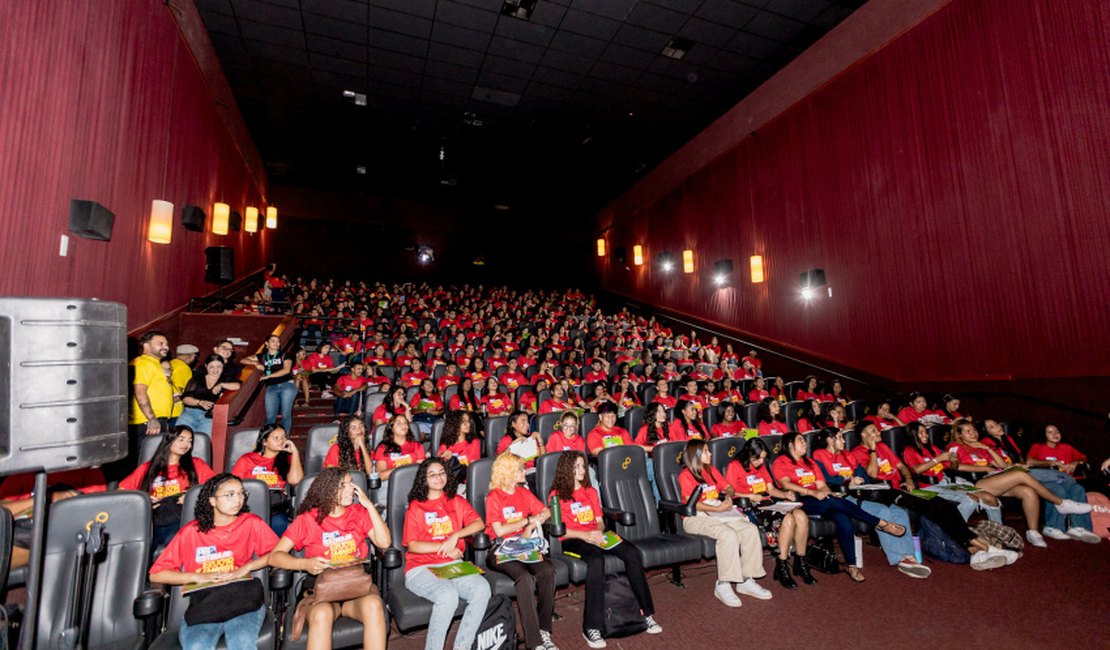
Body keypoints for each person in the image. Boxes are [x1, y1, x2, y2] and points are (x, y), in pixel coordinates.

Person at [149, 473, 278, 649]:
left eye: (241, 493)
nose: (237, 500)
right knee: (196, 646)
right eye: (229, 495)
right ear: (212, 501)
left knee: (242, 643)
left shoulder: (251, 523)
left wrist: (248, 566)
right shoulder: (191, 531)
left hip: (243, 598)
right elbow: (156, 574)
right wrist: (198, 577)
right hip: (205, 603)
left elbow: (278, 554)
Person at [269, 468, 391, 650]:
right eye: (344, 485)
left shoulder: (358, 512)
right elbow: (274, 557)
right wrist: (304, 564)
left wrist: (369, 506)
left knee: (374, 605)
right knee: (321, 614)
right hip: (322, 593)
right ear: (327, 490)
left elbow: (384, 542)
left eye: (351, 483)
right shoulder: (307, 520)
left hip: (356, 588)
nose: (352, 488)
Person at [550, 451, 659, 649]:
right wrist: (587, 536)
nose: (582, 470)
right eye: (577, 467)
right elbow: (560, 530)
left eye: (583, 466)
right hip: (573, 539)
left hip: (596, 535)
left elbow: (600, 522)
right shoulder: (557, 495)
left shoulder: (590, 491)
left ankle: (646, 613)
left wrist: (598, 534)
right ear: (567, 470)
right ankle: (592, 627)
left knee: (632, 553)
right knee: (595, 560)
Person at [771, 432, 906, 583]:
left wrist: (827, 494)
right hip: (799, 500)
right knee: (834, 503)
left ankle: (851, 565)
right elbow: (786, 484)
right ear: (790, 445)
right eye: (801, 440)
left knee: (843, 518)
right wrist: (812, 492)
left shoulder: (809, 462)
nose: (805, 443)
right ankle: (879, 523)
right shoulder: (781, 462)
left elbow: (822, 486)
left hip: (820, 499)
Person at [948, 420, 1092, 548]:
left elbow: (1002, 465)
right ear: (960, 435)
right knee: (1020, 475)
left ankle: (1033, 532)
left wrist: (987, 449)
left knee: (1028, 491)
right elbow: (955, 466)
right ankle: (1061, 503)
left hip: (992, 480)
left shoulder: (980, 447)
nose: (973, 433)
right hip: (973, 483)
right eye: (968, 431)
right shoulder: (955, 446)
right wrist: (984, 468)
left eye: (974, 430)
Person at [402, 458, 491, 650]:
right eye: (432, 474)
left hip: (451, 564)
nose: (438, 477)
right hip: (420, 567)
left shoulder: (457, 501)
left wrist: (456, 535)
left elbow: (479, 524)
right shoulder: (417, 506)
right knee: (447, 595)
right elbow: (413, 545)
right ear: (424, 479)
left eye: (442, 472)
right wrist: (446, 547)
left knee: (482, 589)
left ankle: (462, 647)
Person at [677, 439, 771, 607]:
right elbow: (691, 503)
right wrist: (718, 510)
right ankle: (723, 584)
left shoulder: (711, 470)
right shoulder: (685, 475)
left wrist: (728, 495)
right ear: (696, 455)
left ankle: (745, 580)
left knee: (749, 529)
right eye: (706, 451)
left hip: (717, 511)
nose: (710, 453)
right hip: (695, 517)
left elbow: (729, 487)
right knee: (728, 535)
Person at [485, 453, 559, 650]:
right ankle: (534, 642)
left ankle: (545, 630)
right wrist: (527, 521)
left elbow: (547, 511)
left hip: (523, 545)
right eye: (519, 468)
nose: (523, 471)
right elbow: (500, 530)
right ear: (508, 472)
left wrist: (536, 521)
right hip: (500, 549)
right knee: (524, 578)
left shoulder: (523, 492)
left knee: (547, 571)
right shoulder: (494, 496)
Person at [984, 421, 1099, 544]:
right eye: (1050, 432)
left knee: (1078, 489)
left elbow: (1083, 458)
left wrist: (1075, 463)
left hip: (1035, 474)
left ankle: (1079, 527)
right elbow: (1029, 462)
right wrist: (1049, 463)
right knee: (1059, 487)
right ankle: (1052, 527)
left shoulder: (1008, 440)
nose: (1054, 434)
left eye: (1057, 431)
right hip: (1036, 478)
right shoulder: (1037, 447)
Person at [725, 438, 815, 589]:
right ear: (749, 453)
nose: (761, 461)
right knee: (788, 519)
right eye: (758, 458)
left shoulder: (761, 467)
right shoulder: (735, 466)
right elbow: (729, 493)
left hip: (766, 502)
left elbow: (771, 490)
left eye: (763, 458)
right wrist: (749, 496)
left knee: (801, 516)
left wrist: (785, 495)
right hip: (749, 506)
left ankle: (800, 561)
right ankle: (782, 564)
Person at [119, 426, 216, 550]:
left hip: (181, 517)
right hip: (151, 517)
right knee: (137, 545)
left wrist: (192, 497)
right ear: (169, 440)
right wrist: (145, 499)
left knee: (173, 541)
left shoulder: (197, 464)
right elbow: (122, 492)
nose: (186, 444)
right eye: (181, 439)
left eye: (190, 441)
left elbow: (216, 487)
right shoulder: (147, 468)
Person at [901, 421, 1002, 523]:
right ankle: (953, 532)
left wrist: (954, 460)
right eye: (921, 432)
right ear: (912, 434)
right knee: (971, 500)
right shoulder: (909, 450)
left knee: (991, 498)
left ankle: (998, 533)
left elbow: (951, 467)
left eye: (926, 432)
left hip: (947, 483)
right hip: (928, 487)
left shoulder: (932, 448)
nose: (925, 435)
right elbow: (916, 470)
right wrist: (938, 459)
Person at [231, 424, 304, 535]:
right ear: (264, 442)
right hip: (250, 505)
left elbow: (295, 480)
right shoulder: (247, 459)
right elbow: (234, 483)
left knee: (279, 527)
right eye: (276, 438)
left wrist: (295, 453)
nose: (282, 441)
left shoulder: (287, 460)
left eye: (284, 437)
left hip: (275, 508)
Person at [128, 331, 173, 451]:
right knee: (144, 462)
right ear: (146, 346)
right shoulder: (143, 363)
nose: (166, 347)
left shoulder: (155, 364)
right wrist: (152, 419)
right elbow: (140, 392)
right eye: (161, 343)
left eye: (167, 344)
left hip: (156, 422)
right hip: (146, 423)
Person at [243, 334, 297, 429]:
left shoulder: (285, 355)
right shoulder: (262, 356)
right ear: (267, 343)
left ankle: (285, 436)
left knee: (285, 414)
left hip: (287, 385)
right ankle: (268, 436)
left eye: (278, 341)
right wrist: (255, 363)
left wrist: (268, 376)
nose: (276, 343)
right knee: (270, 415)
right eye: (273, 341)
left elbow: (286, 370)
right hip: (271, 387)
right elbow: (243, 360)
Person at [373, 413, 426, 505]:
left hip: (412, 483)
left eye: (405, 423)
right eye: (399, 423)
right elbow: (381, 475)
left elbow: (422, 471)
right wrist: (406, 467)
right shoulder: (383, 448)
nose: (403, 425)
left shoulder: (417, 446)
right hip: (391, 485)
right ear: (391, 428)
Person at [177, 354, 237, 434]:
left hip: (209, 417)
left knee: (202, 441)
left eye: (219, 366)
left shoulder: (226, 379)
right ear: (206, 366)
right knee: (179, 437)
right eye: (211, 367)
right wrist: (200, 402)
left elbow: (238, 386)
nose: (215, 370)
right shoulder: (198, 378)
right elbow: (185, 398)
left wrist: (222, 384)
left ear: (223, 366)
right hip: (190, 413)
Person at [437, 410, 484, 486]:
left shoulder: (474, 442)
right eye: (463, 421)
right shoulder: (445, 444)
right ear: (454, 424)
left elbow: (472, 466)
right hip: (448, 482)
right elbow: (439, 466)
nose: (467, 424)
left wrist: (454, 456)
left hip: (467, 481)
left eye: (468, 421)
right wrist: (445, 457)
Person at [168, 344, 199, 424]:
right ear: (192, 356)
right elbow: (179, 390)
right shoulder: (184, 368)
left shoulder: (170, 364)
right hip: (175, 411)